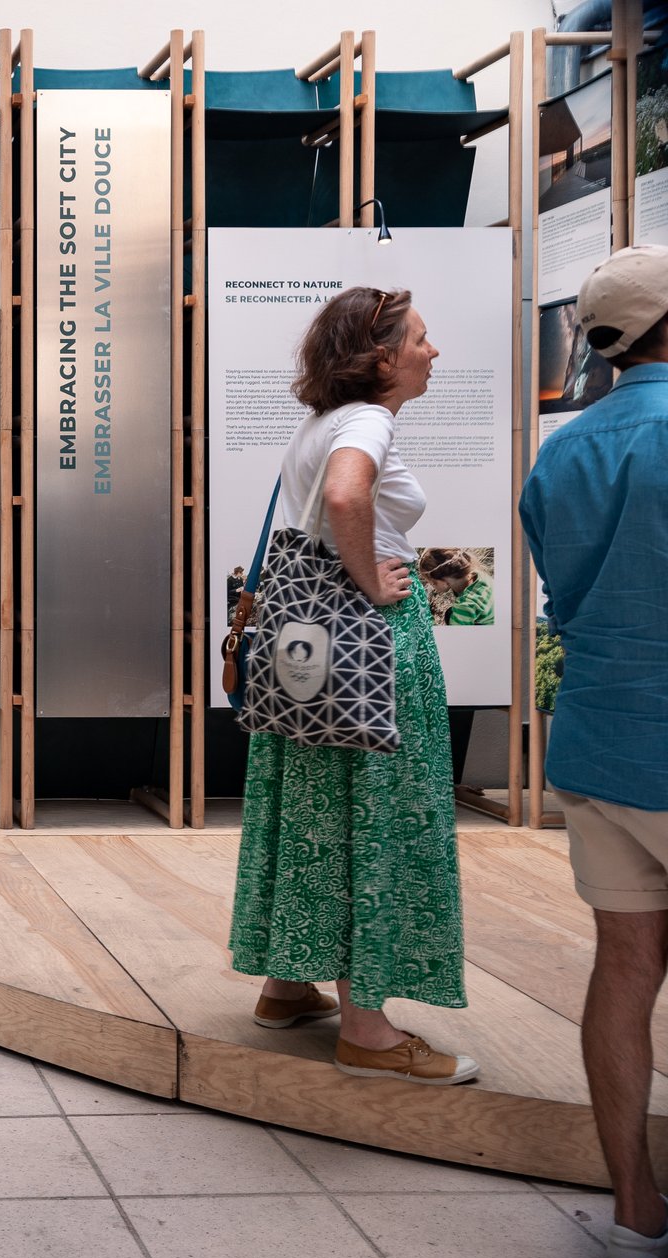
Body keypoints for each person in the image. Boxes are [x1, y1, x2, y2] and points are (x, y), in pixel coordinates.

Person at [227, 285, 477, 1085]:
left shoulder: (322, 420)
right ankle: (366, 1031)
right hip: (371, 644)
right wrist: (371, 580)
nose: (433, 352)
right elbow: (344, 497)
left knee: (313, 802)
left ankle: (289, 984)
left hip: (315, 650)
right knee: (379, 809)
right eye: (422, 339)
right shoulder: (368, 419)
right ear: (383, 356)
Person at [520, 245, 668, 1258]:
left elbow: (565, 600)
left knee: (623, 971)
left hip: (597, 743)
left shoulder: (561, 454)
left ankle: (633, 1217)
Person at [418, 547, 495, 625]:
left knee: (449, 615)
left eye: (432, 583)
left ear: (444, 582)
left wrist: (427, 617)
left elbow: (453, 636)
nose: (432, 586)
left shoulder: (465, 606)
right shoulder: (478, 574)